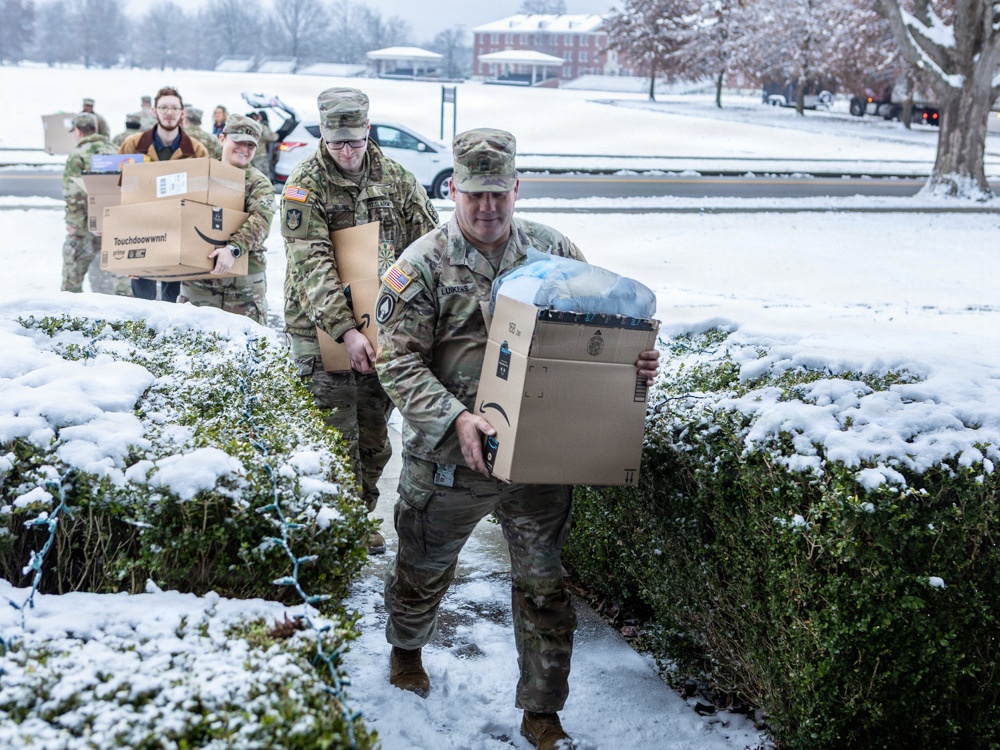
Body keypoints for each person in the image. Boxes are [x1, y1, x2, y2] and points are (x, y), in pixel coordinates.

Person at [373, 128, 660, 750]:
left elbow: (600, 332)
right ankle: (406, 650)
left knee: (544, 584)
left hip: (536, 454)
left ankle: (542, 711)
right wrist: (456, 420)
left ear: (516, 189)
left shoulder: (554, 252)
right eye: (474, 194)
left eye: (498, 194)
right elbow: (397, 363)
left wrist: (631, 363)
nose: (486, 208)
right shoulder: (420, 265)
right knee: (422, 570)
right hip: (452, 457)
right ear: (453, 189)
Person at [279, 87, 439, 554]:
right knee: (334, 430)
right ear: (323, 138)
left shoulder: (396, 178)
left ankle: (356, 514)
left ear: (368, 131)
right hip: (320, 327)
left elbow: (427, 247)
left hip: (381, 325)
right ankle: (336, 527)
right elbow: (313, 264)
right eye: (336, 144)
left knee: (372, 434)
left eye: (354, 141)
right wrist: (345, 330)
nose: (347, 152)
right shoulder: (305, 185)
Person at [177, 114, 274, 324]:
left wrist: (233, 249)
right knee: (196, 345)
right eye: (238, 141)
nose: (244, 149)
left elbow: (261, 221)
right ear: (222, 138)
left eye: (251, 145)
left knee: (248, 349)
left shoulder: (259, 184)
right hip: (199, 281)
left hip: (243, 285)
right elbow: (173, 216)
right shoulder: (201, 174)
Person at [119, 85, 209, 302]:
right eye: (164, 107)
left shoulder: (196, 150)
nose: (169, 113)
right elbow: (118, 189)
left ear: (182, 113)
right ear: (154, 111)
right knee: (142, 299)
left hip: (179, 231)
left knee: (174, 299)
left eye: (174, 108)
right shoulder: (133, 145)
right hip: (141, 229)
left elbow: (204, 196)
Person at [61, 112, 129, 296]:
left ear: (77, 131)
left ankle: (70, 311)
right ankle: (129, 313)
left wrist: (74, 224)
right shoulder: (116, 150)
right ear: (96, 128)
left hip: (86, 225)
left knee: (72, 275)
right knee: (122, 274)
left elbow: (73, 191)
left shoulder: (78, 154)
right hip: (115, 222)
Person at [248, 110, 277, 179]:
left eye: (258, 116)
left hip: (253, 154)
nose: (257, 117)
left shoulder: (252, 126)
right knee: (264, 176)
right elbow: (271, 137)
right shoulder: (261, 126)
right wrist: (278, 135)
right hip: (260, 154)